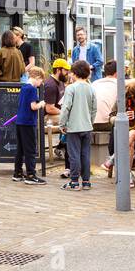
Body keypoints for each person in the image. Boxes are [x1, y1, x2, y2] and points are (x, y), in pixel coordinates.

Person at [58, 59, 97, 190]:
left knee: (74, 154)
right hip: (87, 127)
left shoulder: (71, 88)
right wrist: (90, 122)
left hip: (73, 127)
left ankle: (74, 181)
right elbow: (94, 109)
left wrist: (62, 123)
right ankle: (86, 181)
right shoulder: (91, 89)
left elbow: (66, 107)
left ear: (74, 73)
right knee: (85, 154)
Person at [13, 67, 46, 184]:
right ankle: (31, 175)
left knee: (20, 149)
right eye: (41, 81)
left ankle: (17, 173)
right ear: (37, 78)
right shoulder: (32, 89)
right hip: (28, 122)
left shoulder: (24, 87)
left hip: (20, 122)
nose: (40, 84)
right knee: (30, 149)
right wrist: (41, 104)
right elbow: (33, 106)